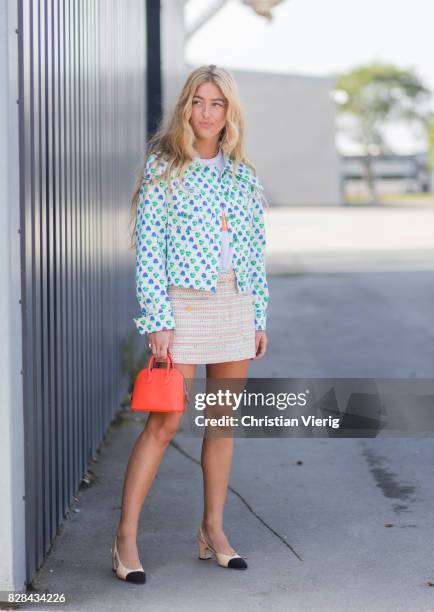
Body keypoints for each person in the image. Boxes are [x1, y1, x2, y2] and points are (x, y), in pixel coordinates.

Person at [111, 64, 270, 583]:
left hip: (234, 304)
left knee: (220, 424)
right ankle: (125, 538)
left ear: (229, 113)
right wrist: (158, 319)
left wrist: (259, 316)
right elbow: (148, 252)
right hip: (180, 307)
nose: (206, 113)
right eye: (198, 102)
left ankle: (213, 529)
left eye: (217, 104)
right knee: (165, 422)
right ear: (185, 108)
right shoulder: (164, 168)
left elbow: (254, 252)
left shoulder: (243, 175)